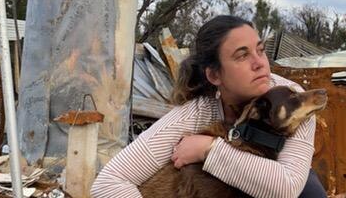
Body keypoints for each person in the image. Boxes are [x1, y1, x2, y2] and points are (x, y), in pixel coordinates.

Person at [91, 15, 327, 198]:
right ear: (215, 75)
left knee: (309, 190)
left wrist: (209, 149)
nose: (259, 64)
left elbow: (287, 188)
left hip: (280, 187)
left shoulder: (293, 98)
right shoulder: (195, 115)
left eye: (260, 50)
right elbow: (109, 182)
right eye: (242, 56)